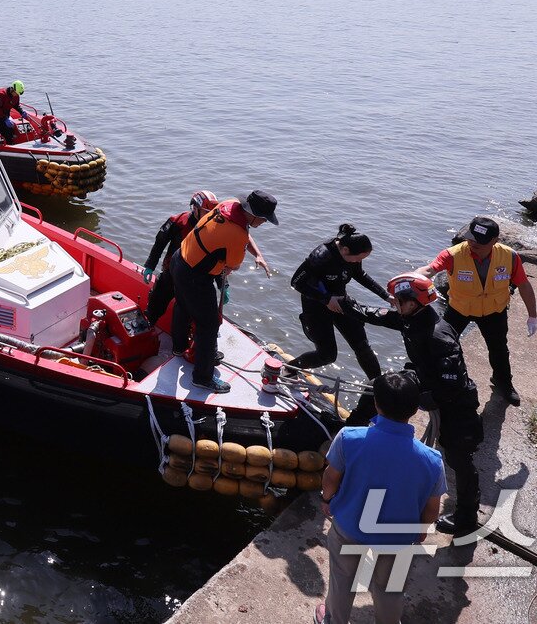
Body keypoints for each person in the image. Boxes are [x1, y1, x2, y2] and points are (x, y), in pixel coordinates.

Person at [346, 273, 484, 536]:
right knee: (379, 390)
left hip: (453, 401)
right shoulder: (410, 317)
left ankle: (467, 518)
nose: (393, 304)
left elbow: (452, 383)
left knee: (458, 458)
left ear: (412, 303)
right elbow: (375, 315)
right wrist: (344, 304)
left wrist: (424, 400)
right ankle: (352, 434)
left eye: (398, 300)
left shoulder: (439, 336)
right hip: (424, 378)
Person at [316, 370, 446, 624]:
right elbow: (432, 508)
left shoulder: (349, 438)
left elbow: (331, 478)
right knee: (389, 589)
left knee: (342, 579)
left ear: (376, 403)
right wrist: (421, 530)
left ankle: (334, 620)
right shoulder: (432, 460)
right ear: (415, 409)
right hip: (398, 536)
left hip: (349, 526)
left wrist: (327, 499)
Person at [412, 216, 537, 407]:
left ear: (495, 240)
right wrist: (411, 278)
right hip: (459, 309)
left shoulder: (509, 256)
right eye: (470, 239)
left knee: (499, 350)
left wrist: (532, 316)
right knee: (440, 346)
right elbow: (430, 269)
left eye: (479, 242)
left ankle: (504, 382)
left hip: (494, 311)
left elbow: (524, 285)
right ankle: (435, 382)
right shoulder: (453, 255)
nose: (472, 244)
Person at [171, 190, 279, 393]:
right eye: (264, 219)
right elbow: (232, 265)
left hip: (180, 259)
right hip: (196, 276)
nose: (264, 223)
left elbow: (243, 233)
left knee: (183, 305)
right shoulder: (236, 235)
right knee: (209, 324)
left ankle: (178, 348)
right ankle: (202, 378)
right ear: (253, 214)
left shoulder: (229, 204)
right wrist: (229, 264)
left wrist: (258, 255)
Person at [143, 191, 271, 325]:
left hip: (195, 277)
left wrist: (223, 285)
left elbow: (218, 261)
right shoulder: (178, 222)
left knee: (187, 312)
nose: (210, 215)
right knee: (157, 302)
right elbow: (159, 243)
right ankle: (149, 323)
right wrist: (150, 266)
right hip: (171, 271)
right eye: (206, 211)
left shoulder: (216, 228)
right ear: (195, 209)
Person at [289, 223, 390, 379]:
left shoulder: (352, 255)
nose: (358, 262)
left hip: (341, 301)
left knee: (362, 346)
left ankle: (378, 386)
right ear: (345, 250)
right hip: (316, 305)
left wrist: (385, 296)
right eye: (358, 258)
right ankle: (289, 369)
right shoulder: (321, 256)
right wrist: (326, 299)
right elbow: (296, 282)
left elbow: (360, 274)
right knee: (327, 355)